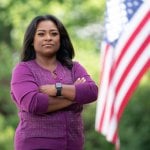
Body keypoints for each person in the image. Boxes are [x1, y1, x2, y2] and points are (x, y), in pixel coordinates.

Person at [10, 14, 98, 150]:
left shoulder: (74, 67)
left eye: (54, 33)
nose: (48, 38)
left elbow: (92, 92)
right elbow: (34, 103)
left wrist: (58, 88)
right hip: (34, 145)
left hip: (73, 145)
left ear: (60, 39)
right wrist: (75, 95)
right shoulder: (23, 70)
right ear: (32, 40)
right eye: (41, 34)